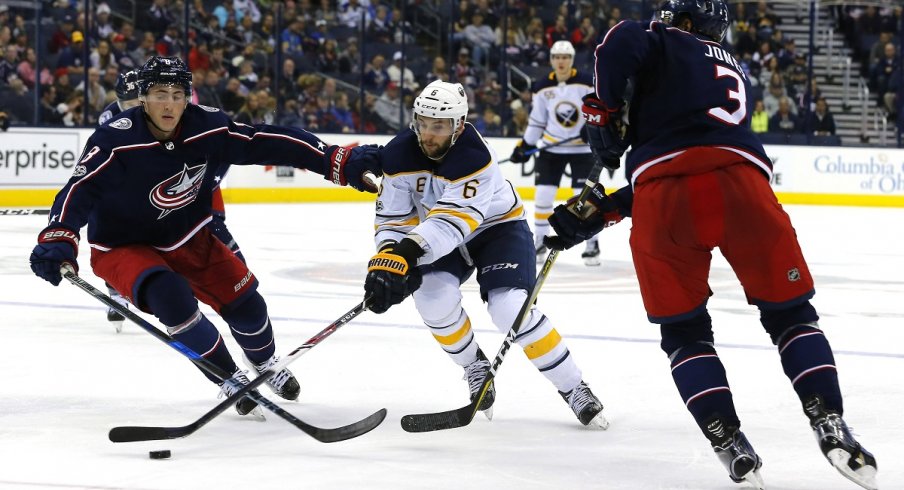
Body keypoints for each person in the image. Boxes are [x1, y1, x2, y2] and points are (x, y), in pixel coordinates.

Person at [545, 2, 878, 489]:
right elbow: (697, 152)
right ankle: (830, 422)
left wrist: (603, 111)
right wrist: (607, 209)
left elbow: (620, 40)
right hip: (744, 191)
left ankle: (728, 442)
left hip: (665, 202)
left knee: (684, 335)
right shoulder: (732, 64)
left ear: (679, 20)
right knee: (791, 318)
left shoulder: (664, 42)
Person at [29, 56, 380, 416]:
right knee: (171, 296)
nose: (169, 104)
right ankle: (229, 378)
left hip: (189, 236)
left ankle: (266, 364)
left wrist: (334, 160)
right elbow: (79, 189)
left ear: (188, 98)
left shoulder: (206, 126)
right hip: (123, 246)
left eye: (178, 94)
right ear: (144, 97)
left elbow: (263, 141)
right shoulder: (113, 140)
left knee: (248, 306)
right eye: (160, 93)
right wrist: (60, 236)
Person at [361, 80, 608, 428]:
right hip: (435, 233)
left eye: (438, 126)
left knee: (510, 307)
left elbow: (453, 224)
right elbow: (393, 219)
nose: (428, 135)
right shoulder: (399, 154)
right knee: (431, 299)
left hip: (496, 229)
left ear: (458, 125)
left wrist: (407, 253)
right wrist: (388, 258)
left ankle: (574, 387)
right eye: (422, 123)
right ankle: (474, 365)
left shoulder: (474, 155)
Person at [508, 40, 601, 266]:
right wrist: (524, 146)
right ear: (551, 60)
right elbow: (538, 121)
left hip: (581, 150)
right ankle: (540, 240)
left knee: (584, 199)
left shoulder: (587, 82)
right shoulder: (541, 86)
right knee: (543, 197)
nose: (561, 62)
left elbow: (599, 108)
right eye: (557, 57)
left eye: (565, 57)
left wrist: (591, 127)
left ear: (571, 59)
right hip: (551, 149)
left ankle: (592, 244)